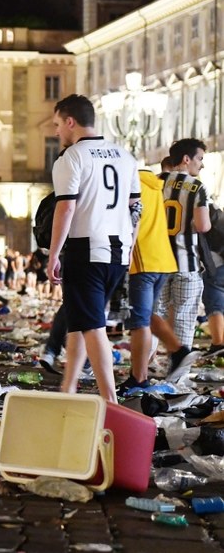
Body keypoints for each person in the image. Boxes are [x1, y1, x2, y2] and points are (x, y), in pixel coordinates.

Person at [47, 94, 140, 403]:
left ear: (71, 122)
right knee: (80, 321)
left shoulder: (72, 157)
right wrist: (130, 245)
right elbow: (135, 208)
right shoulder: (125, 156)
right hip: (118, 250)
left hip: (84, 249)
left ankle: (110, 400)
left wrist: (52, 254)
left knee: (92, 326)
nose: (57, 131)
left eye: (58, 125)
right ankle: (69, 388)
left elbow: (66, 210)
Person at [118, 167, 200, 395]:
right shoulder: (155, 186)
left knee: (139, 322)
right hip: (163, 259)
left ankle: (139, 378)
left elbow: (130, 222)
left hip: (143, 260)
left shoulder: (130, 186)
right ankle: (178, 350)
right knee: (148, 316)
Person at [156, 138, 211, 381]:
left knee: (154, 316)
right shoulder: (197, 187)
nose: (201, 165)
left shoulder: (155, 184)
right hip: (185, 263)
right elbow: (203, 225)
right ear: (186, 159)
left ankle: (143, 369)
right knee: (184, 319)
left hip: (157, 262)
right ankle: (177, 378)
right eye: (199, 159)